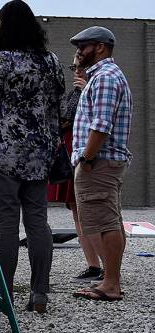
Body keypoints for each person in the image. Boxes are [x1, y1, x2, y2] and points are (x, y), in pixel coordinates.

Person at [0, 0, 64, 313]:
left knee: (7, 224)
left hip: (3, 152)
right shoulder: (50, 61)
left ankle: (6, 294)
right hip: (40, 154)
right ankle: (40, 293)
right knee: (38, 221)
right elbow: (58, 102)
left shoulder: (2, 59)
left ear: (6, 25)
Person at [68, 27, 132, 302]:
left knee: (105, 223)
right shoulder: (103, 77)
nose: (79, 52)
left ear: (101, 48)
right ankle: (110, 279)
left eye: (84, 46)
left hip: (99, 162)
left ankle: (111, 284)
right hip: (103, 161)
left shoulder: (105, 78)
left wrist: (87, 158)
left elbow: (101, 126)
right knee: (110, 221)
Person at [48, 61, 105, 281]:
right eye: (74, 68)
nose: (77, 72)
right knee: (77, 211)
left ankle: (106, 266)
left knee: (90, 212)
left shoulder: (92, 91)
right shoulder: (74, 92)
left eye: (80, 67)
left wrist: (84, 91)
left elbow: (75, 119)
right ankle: (93, 265)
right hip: (71, 154)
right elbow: (60, 118)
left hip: (85, 154)